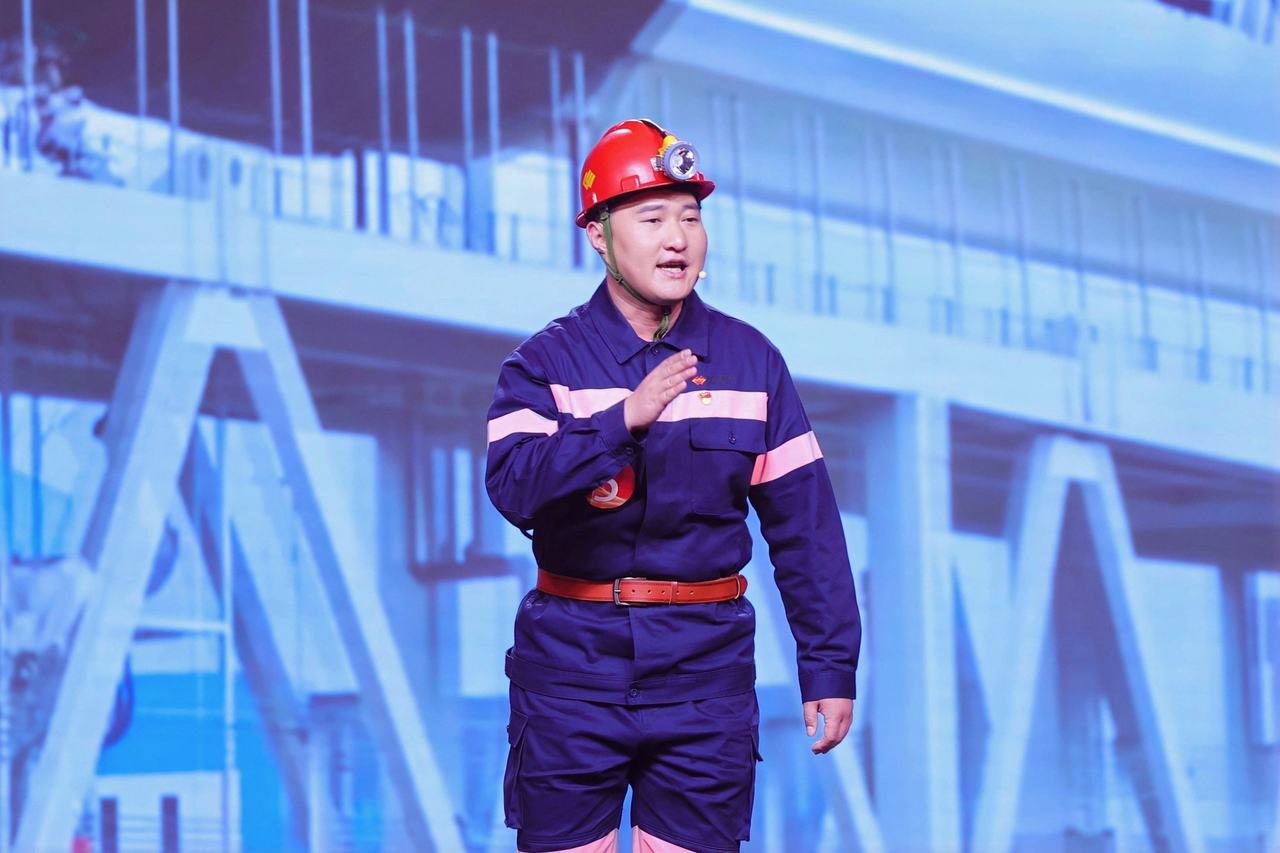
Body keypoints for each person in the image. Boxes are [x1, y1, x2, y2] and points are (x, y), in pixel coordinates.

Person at [485, 118, 861, 853]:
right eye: (652, 218)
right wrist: (621, 420)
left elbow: (807, 528)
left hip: (705, 675)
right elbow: (512, 485)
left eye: (690, 217)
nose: (677, 239)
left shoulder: (751, 363)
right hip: (571, 672)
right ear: (598, 235)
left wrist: (829, 665)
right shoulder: (543, 365)